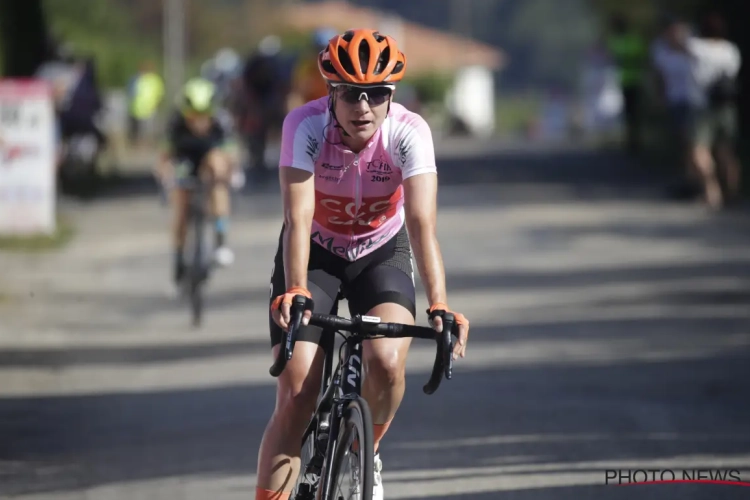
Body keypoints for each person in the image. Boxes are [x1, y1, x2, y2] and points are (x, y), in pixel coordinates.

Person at [255, 29, 471, 500]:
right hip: (315, 253)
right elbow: (297, 218)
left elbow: (420, 225)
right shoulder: (305, 125)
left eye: (377, 94)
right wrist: (295, 288)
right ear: (331, 92)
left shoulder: (409, 132)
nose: (364, 106)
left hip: (381, 252)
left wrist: (439, 303)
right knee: (296, 394)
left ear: (391, 95)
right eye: (351, 93)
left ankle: (364, 446)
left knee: (388, 364)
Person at [155, 78, 240, 290]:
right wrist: (165, 178)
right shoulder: (175, 124)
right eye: (194, 116)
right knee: (181, 209)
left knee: (218, 173)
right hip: (184, 159)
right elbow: (164, 158)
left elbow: (231, 153)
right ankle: (178, 262)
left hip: (208, 159)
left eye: (205, 116)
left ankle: (220, 242)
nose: (200, 122)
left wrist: (230, 174)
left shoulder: (221, 122)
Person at [288, 28, 337, 109]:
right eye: (318, 49)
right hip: (312, 108)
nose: (322, 53)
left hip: (334, 109)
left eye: (326, 49)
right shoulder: (307, 66)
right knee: (292, 99)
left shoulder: (338, 67)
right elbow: (297, 91)